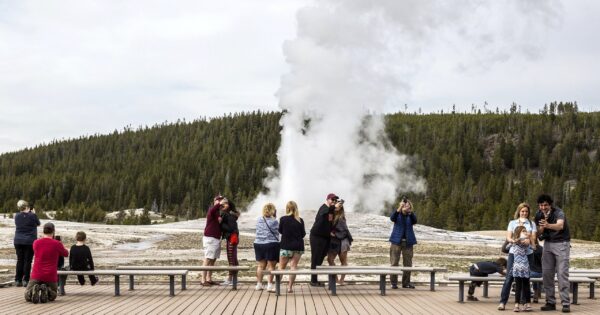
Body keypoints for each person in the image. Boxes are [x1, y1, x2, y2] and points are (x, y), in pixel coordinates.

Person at [535, 194, 571, 313]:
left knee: (562, 274)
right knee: (547, 274)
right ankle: (550, 302)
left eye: (545, 205)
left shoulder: (559, 212)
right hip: (547, 244)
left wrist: (548, 225)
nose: (543, 207)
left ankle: (565, 303)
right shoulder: (538, 214)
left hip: (562, 243)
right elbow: (538, 232)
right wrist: (541, 228)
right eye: (541, 205)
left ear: (550, 204)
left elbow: (560, 226)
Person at [498, 202, 537, 310]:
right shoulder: (512, 223)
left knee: (526, 278)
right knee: (509, 277)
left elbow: (533, 237)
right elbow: (508, 237)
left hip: (528, 253)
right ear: (519, 211)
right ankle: (502, 302)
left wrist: (529, 240)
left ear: (528, 213)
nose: (524, 213)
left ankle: (525, 303)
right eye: (522, 211)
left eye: (526, 211)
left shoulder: (531, 223)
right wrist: (513, 241)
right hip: (514, 253)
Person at [25, 222, 69, 303]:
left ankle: (33, 290)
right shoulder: (57, 243)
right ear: (53, 231)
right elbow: (66, 254)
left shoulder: (36, 242)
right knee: (53, 295)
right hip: (50, 276)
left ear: (43, 231)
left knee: (27, 296)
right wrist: (61, 244)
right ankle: (48, 290)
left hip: (36, 274)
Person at [389, 197, 417, 289]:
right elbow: (392, 218)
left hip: (408, 242)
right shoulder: (397, 214)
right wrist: (400, 208)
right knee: (394, 263)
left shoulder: (410, 215)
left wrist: (410, 212)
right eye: (404, 204)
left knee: (408, 263)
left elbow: (415, 220)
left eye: (408, 205)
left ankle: (406, 283)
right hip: (396, 242)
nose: (406, 205)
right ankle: (393, 283)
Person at [309, 193, 337, 286]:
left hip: (325, 237)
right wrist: (333, 208)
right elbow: (323, 214)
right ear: (327, 199)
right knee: (315, 258)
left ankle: (315, 279)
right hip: (317, 236)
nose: (333, 201)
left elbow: (329, 223)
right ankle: (313, 281)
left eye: (335, 200)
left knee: (321, 258)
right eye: (332, 199)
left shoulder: (331, 211)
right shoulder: (324, 207)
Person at [278, 201, 306, 293]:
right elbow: (303, 234)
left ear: (287, 208)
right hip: (298, 246)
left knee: (281, 267)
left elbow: (280, 231)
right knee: (293, 266)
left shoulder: (283, 219)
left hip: (286, 245)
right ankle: (290, 287)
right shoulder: (300, 220)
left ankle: (277, 286)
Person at [14, 200, 40, 287]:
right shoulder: (32, 216)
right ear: (26, 207)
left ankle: (18, 280)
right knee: (27, 261)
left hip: (18, 241)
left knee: (20, 260)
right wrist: (34, 213)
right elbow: (38, 223)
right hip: (29, 241)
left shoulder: (16, 216)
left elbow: (24, 218)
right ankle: (25, 279)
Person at [254, 203, 280, 291]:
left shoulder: (258, 219)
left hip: (258, 243)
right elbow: (278, 230)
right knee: (271, 266)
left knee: (261, 265)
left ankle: (259, 284)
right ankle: (269, 285)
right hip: (271, 244)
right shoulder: (274, 221)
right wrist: (275, 216)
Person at [327, 199, 352, 286]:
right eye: (338, 205)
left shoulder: (341, 218)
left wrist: (335, 234)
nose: (338, 207)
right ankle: (336, 279)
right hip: (334, 241)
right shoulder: (331, 215)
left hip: (342, 241)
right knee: (330, 259)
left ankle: (341, 280)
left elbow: (344, 231)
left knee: (343, 261)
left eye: (340, 206)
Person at [202, 195, 224, 286]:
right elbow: (213, 209)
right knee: (208, 258)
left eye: (221, 200)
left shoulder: (218, 212)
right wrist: (219, 204)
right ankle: (203, 280)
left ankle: (209, 278)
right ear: (214, 201)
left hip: (216, 238)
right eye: (218, 200)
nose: (220, 202)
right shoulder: (212, 210)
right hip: (210, 238)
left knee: (213, 259)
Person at [511, 226, 533, 312]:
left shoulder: (525, 240)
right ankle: (516, 304)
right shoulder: (515, 240)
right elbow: (514, 242)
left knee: (526, 285)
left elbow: (527, 243)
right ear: (518, 232)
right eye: (523, 231)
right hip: (517, 266)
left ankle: (528, 304)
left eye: (525, 231)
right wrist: (515, 239)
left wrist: (528, 236)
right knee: (518, 286)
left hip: (524, 265)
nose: (525, 232)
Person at [219, 198, 240, 286]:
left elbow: (231, 229)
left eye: (225, 204)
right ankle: (234, 278)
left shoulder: (229, 215)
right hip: (232, 238)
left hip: (232, 238)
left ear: (229, 205)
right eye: (222, 204)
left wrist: (221, 224)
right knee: (233, 258)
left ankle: (231, 279)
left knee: (231, 258)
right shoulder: (228, 214)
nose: (223, 205)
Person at [530, 238, 543, 303]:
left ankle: (523, 295)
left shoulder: (531, 249)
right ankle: (536, 293)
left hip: (536, 272)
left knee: (524, 275)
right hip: (542, 271)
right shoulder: (542, 248)